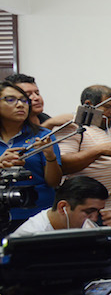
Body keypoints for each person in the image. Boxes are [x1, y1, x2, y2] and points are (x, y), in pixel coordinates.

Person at [57, 85, 111, 243]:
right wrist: (99, 151)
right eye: (108, 107)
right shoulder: (73, 127)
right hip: (91, 212)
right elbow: (63, 166)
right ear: (89, 105)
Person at [0, 81, 62, 232]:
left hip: (37, 214)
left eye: (24, 100)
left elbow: (54, 182)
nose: (20, 105)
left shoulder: (42, 136)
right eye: (10, 99)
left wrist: (50, 156)